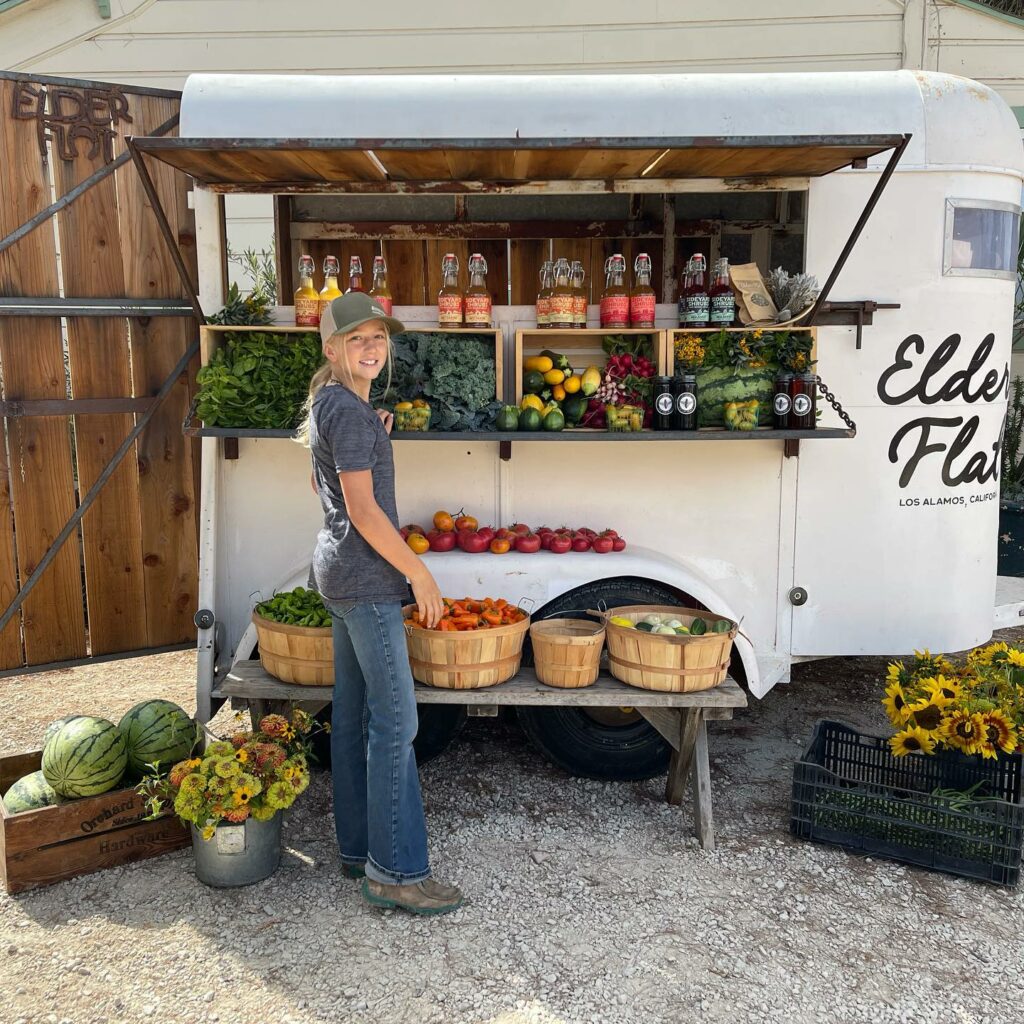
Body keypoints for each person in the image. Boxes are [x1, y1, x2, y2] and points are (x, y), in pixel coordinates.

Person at [296, 291, 462, 916]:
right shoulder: (346, 411)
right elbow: (363, 510)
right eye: (357, 339)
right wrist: (419, 575)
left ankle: (357, 850)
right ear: (332, 348)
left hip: (339, 575)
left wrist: (371, 427)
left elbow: (321, 482)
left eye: (379, 338)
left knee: (354, 713)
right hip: (367, 583)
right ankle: (395, 872)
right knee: (396, 722)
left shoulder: (335, 405)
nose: (371, 348)